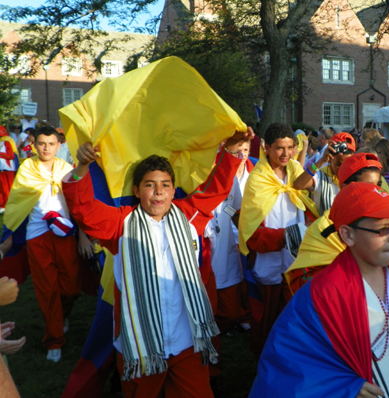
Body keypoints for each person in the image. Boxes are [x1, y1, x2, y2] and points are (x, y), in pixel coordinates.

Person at [63, 129, 252, 397]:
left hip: (186, 341)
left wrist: (232, 150)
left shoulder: (188, 216)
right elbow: (83, 209)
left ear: (174, 190)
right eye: (150, 185)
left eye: (165, 185)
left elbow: (217, 188)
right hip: (141, 345)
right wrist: (82, 166)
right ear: (136, 190)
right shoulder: (121, 224)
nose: (158, 192)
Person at [250, 182, 389, 398]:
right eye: (382, 229)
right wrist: (344, 386)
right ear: (348, 235)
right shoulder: (323, 294)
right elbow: (290, 364)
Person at [2, 126, 83, 363]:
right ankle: (54, 340)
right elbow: (17, 204)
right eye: (41, 143)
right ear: (34, 145)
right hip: (37, 235)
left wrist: (85, 236)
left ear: (59, 145)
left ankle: (61, 316)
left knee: (70, 288)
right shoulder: (27, 169)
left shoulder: (67, 169)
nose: (46, 148)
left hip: (65, 233)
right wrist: (8, 238)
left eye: (51, 143)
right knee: (47, 290)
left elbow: (79, 202)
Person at [238, 122, 318, 355]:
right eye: (280, 148)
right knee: (267, 314)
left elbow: (308, 200)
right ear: (266, 148)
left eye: (290, 147)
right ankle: (265, 357)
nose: (286, 154)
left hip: (295, 255)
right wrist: (287, 236)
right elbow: (251, 231)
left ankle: (291, 354)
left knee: (294, 309)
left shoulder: (295, 170)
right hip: (270, 258)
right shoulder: (257, 179)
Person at [286, 152, 383, 294]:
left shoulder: (386, 220)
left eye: (378, 185)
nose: (376, 191)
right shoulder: (323, 228)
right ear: (344, 188)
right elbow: (306, 280)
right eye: (368, 186)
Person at [206, 139, 252, 335]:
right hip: (210, 244)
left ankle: (232, 320)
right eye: (236, 150)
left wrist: (229, 212)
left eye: (245, 150)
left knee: (233, 306)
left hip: (232, 244)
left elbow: (234, 207)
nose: (241, 155)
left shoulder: (245, 173)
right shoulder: (208, 168)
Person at [293, 132, 356, 215]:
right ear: (330, 159)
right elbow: (298, 185)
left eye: (347, 163)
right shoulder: (320, 177)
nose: (342, 168)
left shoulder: (356, 177)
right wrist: (321, 161)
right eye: (338, 164)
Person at [0, 126, 18, 211]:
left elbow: (11, 156)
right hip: (2, 169)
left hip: (9, 169)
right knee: (2, 187)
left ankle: (9, 206)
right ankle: (2, 205)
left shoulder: (7, 142)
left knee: (9, 188)